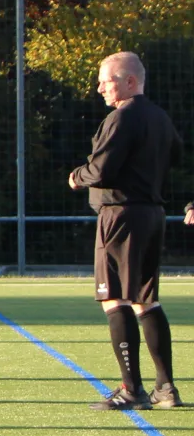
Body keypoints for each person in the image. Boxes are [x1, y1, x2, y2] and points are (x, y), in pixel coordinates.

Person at [68, 51, 184, 410]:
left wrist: (76, 177)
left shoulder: (122, 117)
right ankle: (166, 388)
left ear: (129, 81)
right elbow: (177, 159)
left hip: (121, 216)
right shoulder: (160, 118)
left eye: (106, 81)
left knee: (114, 299)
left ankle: (131, 390)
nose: (100, 88)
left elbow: (101, 169)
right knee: (146, 300)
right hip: (152, 214)